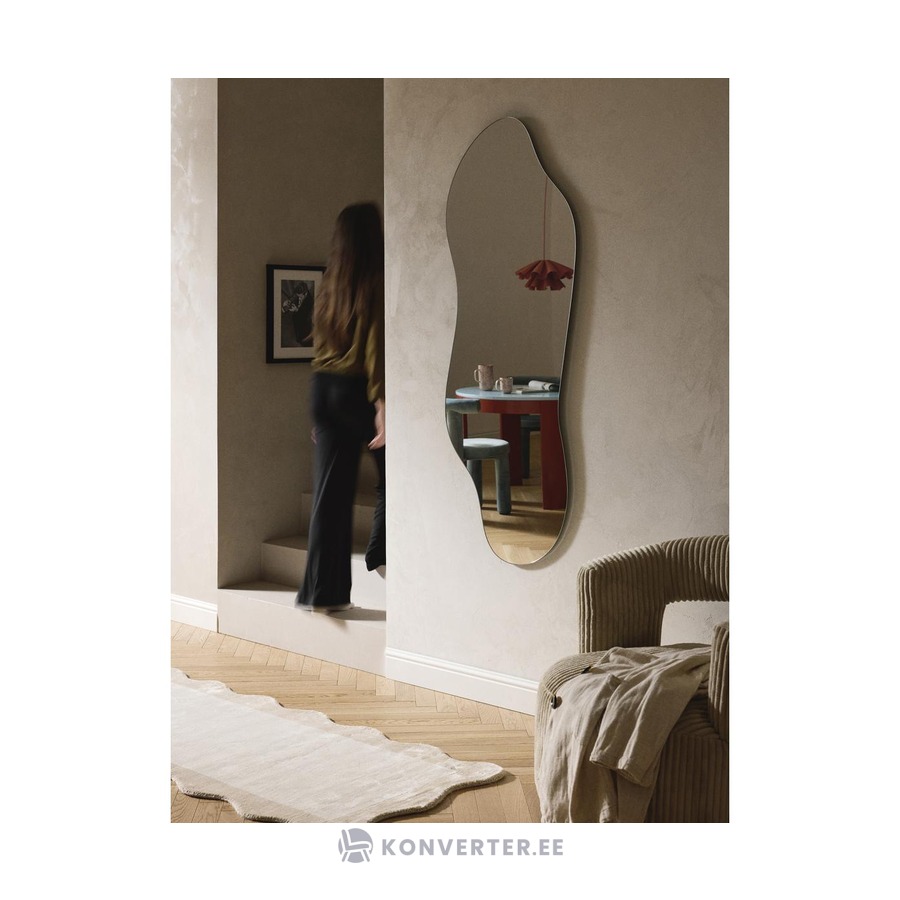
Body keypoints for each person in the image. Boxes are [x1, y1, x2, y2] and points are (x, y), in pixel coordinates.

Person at [296, 202, 386, 612]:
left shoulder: (330, 283)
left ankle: (322, 595)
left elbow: (320, 344)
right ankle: (381, 553)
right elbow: (374, 348)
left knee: (328, 499)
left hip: (322, 388)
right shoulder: (374, 282)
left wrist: (321, 412)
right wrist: (382, 404)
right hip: (355, 391)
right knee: (396, 477)